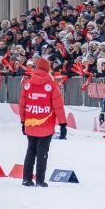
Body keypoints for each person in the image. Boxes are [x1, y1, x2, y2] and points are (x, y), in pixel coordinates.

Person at [19, 57, 67, 187]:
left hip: (30, 124)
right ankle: (40, 180)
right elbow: (58, 107)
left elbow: (22, 105)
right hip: (46, 126)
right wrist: (63, 124)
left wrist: (23, 122)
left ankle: (26, 179)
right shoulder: (52, 85)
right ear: (47, 69)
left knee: (30, 151)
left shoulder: (27, 84)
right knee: (42, 153)